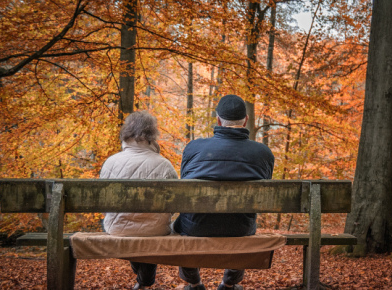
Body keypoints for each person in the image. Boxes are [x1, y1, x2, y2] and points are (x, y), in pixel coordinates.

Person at [174, 94, 275, 290]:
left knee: (183, 222)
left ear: (218, 120)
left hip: (196, 227)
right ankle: (228, 285)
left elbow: (184, 185)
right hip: (240, 228)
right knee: (244, 219)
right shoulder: (263, 153)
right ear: (245, 121)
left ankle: (194, 283)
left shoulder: (194, 148)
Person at [100, 111, 178, 290]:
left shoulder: (110, 162)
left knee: (133, 231)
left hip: (117, 228)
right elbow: (174, 205)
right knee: (150, 229)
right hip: (156, 229)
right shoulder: (164, 164)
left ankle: (143, 282)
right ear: (152, 135)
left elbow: (104, 205)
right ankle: (145, 282)